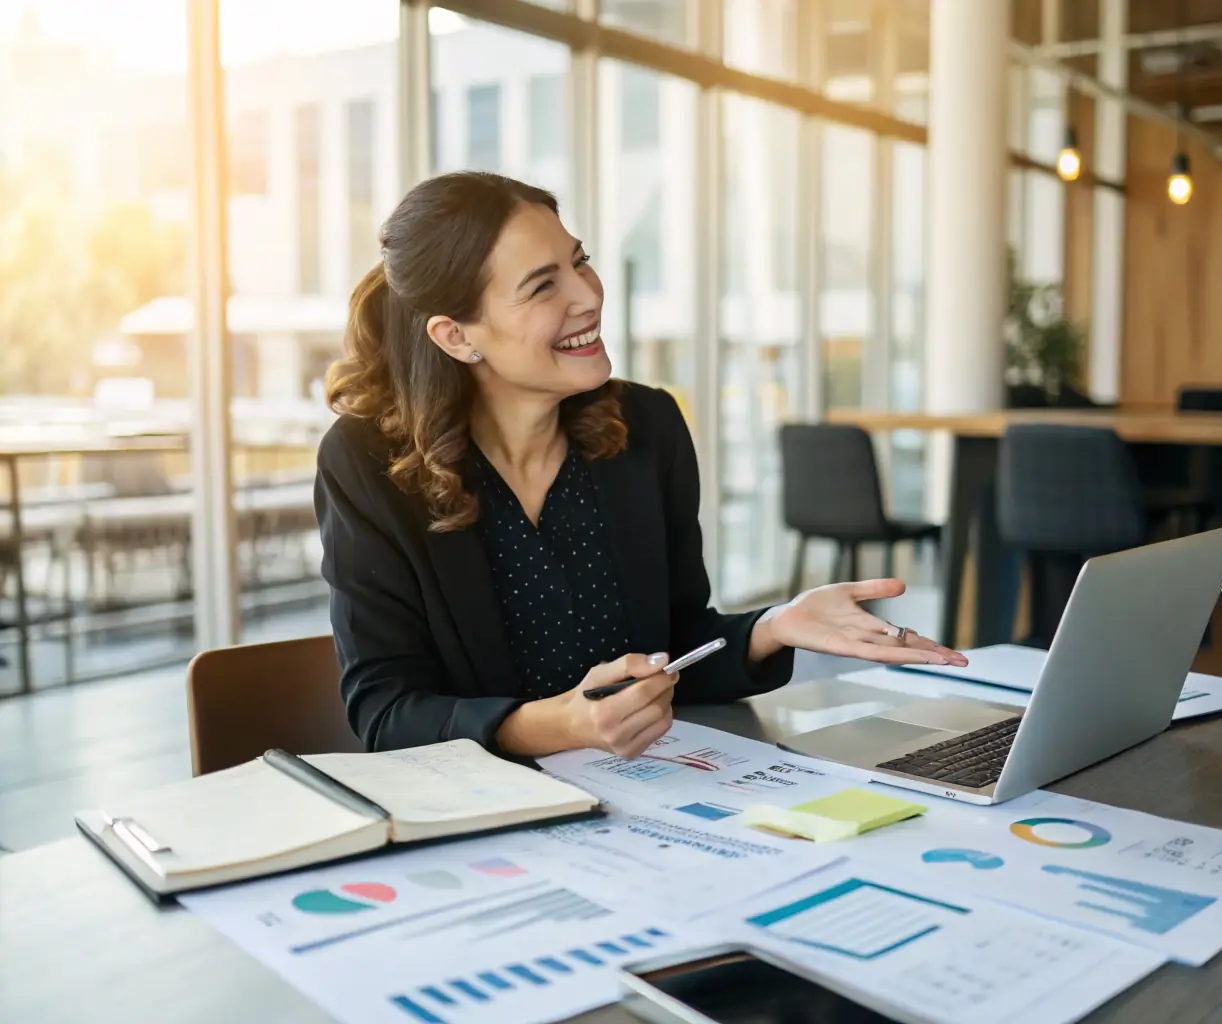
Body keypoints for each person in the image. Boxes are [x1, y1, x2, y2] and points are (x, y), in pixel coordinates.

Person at [316, 171, 967, 760]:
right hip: (487, 818)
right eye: (543, 285)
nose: (588, 295)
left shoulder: (646, 427)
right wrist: (558, 725)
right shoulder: (368, 461)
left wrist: (773, 627)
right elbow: (386, 712)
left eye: (580, 263)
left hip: (648, 799)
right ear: (456, 336)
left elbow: (677, 645)